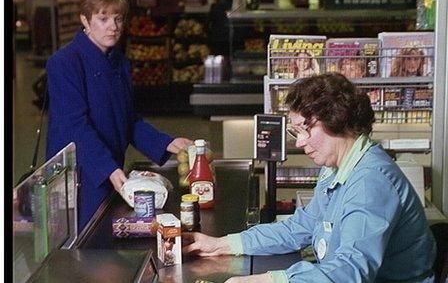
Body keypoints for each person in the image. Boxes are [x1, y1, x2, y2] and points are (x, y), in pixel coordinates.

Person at [183, 73, 436, 283]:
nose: (301, 142)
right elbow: (301, 227)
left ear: (337, 119)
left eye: (306, 129)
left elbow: (351, 270)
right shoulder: (336, 167)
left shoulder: (371, 182)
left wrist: (271, 280)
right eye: (296, 131)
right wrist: (220, 244)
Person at [45, 0, 191, 229]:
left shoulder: (119, 63)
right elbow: (75, 126)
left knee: (104, 242)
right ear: (85, 20)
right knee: (82, 242)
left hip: (110, 169)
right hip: (81, 173)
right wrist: (108, 168)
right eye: (103, 18)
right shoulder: (65, 63)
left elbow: (128, 119)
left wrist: (167, 142)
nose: (113, 26)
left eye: (118, 19)